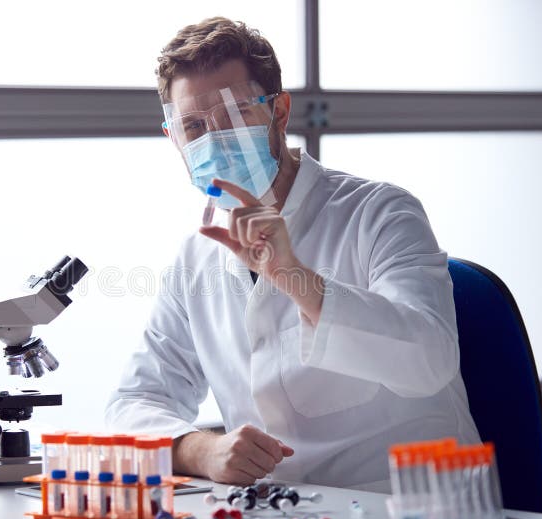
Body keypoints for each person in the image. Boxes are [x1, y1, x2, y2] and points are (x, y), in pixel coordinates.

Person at [105, 17, 480, 491]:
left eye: (237, 114)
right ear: (173, 138)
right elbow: (133, 402)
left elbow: (430, 359)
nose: (214, 139)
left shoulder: (379, 212)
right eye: (194, 126)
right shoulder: (195, 258)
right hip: (283, 512)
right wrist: (202, 450)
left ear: (279, 113)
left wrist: (296, 278)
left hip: (409, 507)